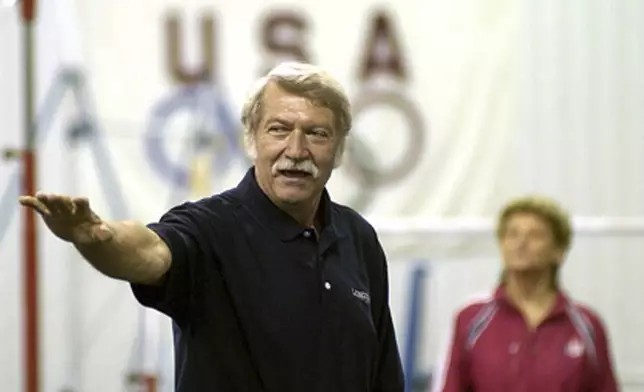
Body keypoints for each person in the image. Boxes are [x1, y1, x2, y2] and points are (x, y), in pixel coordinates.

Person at [19, 62, 405, 392]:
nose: (297, 150)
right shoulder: (209, 230)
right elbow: (150, 252)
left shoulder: (358, 237)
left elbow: (384, 373)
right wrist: (98, 240)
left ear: (338, 149)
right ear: (252, 137)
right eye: (279, 129)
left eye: (317, 133)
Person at [432, 196, 619, 392]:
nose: (521, 243)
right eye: (512, 234)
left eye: (535, 235)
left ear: (559, 250)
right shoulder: (471, 320)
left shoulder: (586, 325)